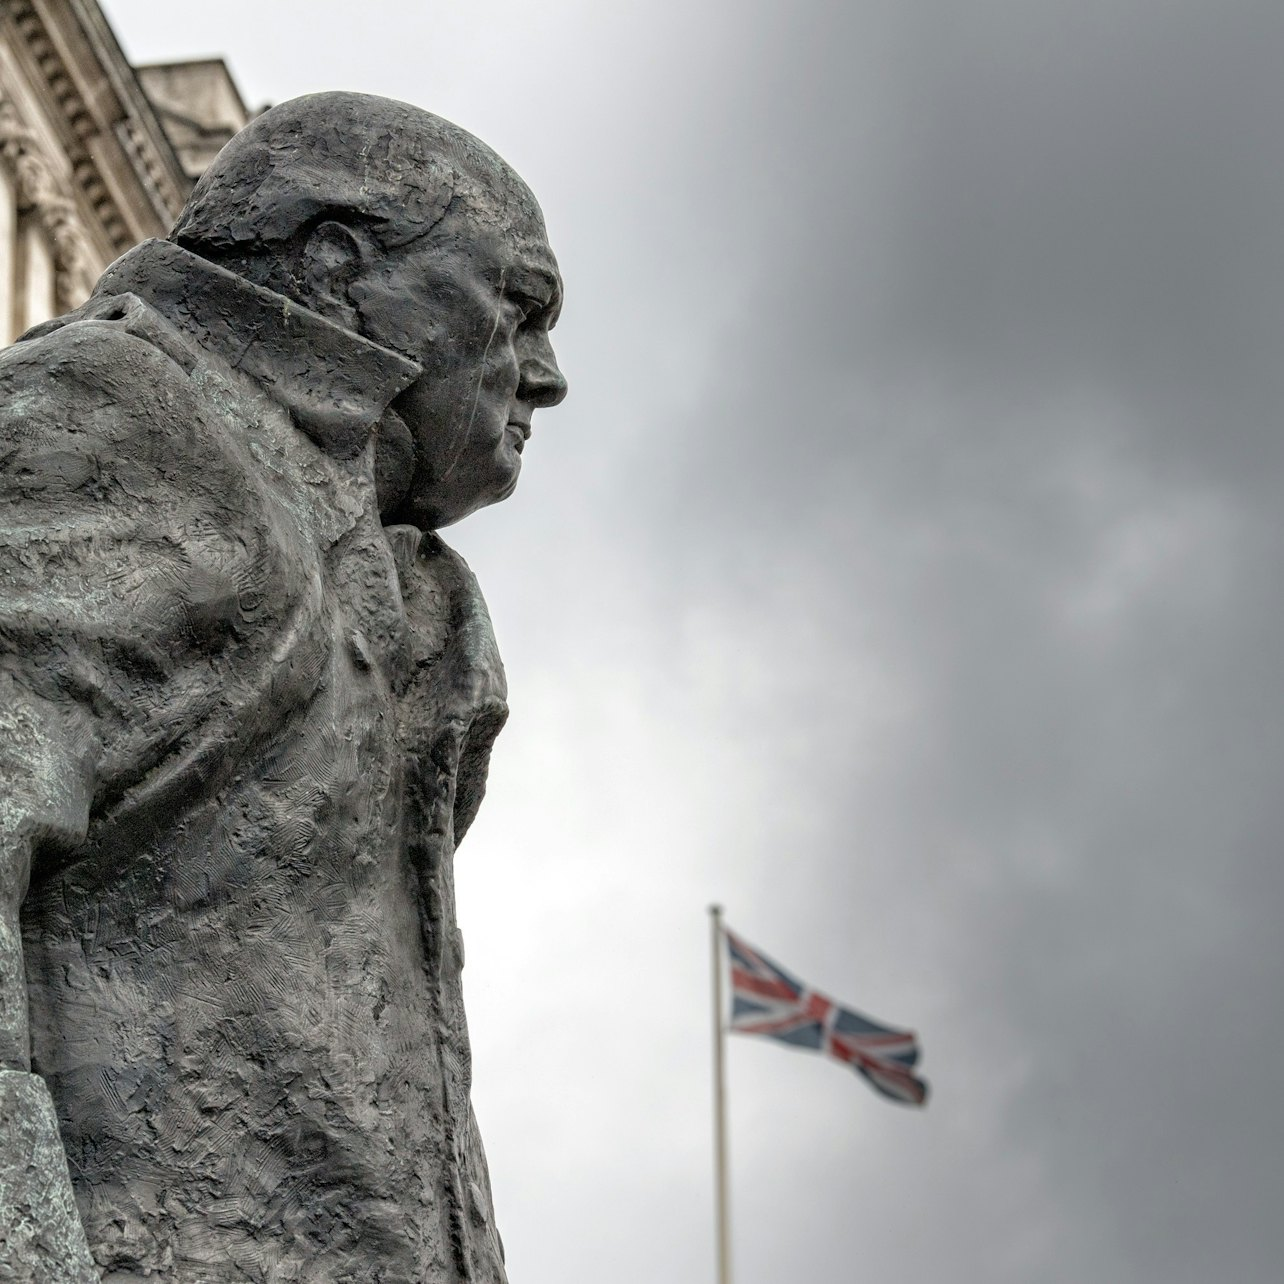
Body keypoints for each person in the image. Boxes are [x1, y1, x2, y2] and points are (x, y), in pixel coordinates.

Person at [0, 91, 566, 1283]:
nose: (547, 377)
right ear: (335, 262)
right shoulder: (130, 414)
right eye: (517, 307)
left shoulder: (392, 572)